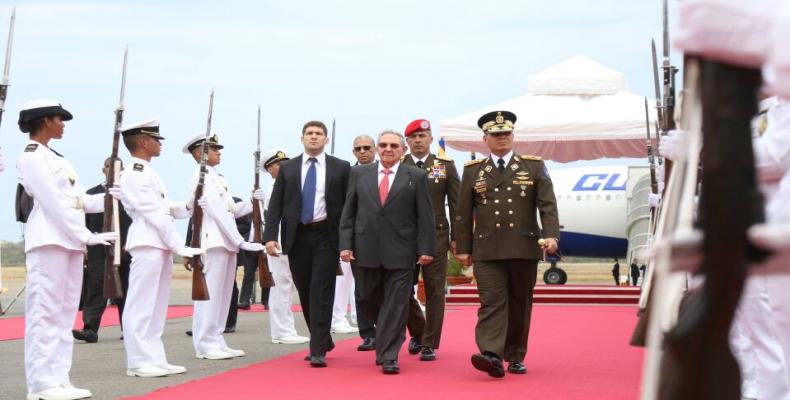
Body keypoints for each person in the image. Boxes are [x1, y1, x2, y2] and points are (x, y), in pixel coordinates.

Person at [17, 99, 119, 400]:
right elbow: (52, 203)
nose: (63, 125)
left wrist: (110, 195)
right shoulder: (33, 157)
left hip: (68, 243)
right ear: (45, 121)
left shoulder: (58, 158)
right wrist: (86, 235)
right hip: (49, 240)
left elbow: (76, 200)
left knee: (63, 315)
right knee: (44, 314)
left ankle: (59, 378)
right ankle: (40, 384)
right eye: (59, 119)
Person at [455, 110, 560, 378]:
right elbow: (463, 212)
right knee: (490, 301)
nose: (501, 138)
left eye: (506, 133)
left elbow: (547, 204)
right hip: (487, 249)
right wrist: (463, 248)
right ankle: (491, 354)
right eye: (495, 134)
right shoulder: (474, 171)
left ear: (512, 136)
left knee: (519, 302)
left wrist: (551, 235)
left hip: (523, 246)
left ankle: (514, 355)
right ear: (485, 138)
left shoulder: (533, 166)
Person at [340, 130, 436, 375]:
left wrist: (426, 248)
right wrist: (345, 244)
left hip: (402, 252)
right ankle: (388, 337)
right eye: (383, 145)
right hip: (365, 250)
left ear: (403, 149)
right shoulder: (359, 173)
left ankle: (389, 355)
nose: (388, 149)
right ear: (377, 148)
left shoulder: (416, 176)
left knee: (396, 304)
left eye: (394, 145)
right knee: (368, 298)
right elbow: (348, 212)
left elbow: (426, 216)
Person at [118, 119, 203, 378]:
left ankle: (154, 357)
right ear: (143, 142)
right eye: (156, 139)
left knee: (156, 307)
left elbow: (168, 209)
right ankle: (138, 361)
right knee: (140, 306)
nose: (159, 143)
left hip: (159, 245)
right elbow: (154, 214)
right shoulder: (134, 173)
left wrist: (191, 203)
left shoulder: (148, 172)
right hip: (147, 242)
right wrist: (180, 246)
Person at [264, 121, 351, 367]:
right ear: (301, 138)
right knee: (304, 290)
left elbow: (347, 207)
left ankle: (317, 349)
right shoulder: (288, 169)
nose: (314, 137)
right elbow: (276, 205)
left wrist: (347, 240)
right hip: (297, 236)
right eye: (310, 134)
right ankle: (323, 337)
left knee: (320, 291)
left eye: (318, 134)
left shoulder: (340, 167)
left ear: (326, 139)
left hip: (326, 235)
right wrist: (270, 236)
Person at [182, 133, 266, 360]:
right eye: (214, 149)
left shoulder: (218, 178)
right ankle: (205, 344)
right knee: (210, 296)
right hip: (214, 241)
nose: (219, 152)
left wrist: (252, 201)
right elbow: (217, 213)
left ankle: (216, 338)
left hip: (226, 242)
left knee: (223, 295)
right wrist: (240, 241)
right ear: (200, 153)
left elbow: (231, 210)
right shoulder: (201, 178)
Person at [401, 118, 459, 361]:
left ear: (430, 139)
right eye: (413, 137)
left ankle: (429, 343)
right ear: (407, 141)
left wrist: (458, 237)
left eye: (422, 136)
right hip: (403, 238)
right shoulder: (397, 165)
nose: (417, 141)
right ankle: (419, 331)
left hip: (436, 235)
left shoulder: (444, 165)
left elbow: (457, 205)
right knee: (401, 290)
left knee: (435, 291)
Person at [72, 158, 133, 344]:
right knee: (95, 287)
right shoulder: (91, 194)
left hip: (124, 248)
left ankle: (129, 329)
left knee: (125, 288)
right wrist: (84, 247)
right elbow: (84, 224)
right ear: (102, 169)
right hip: (98, 248)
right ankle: (90, 329)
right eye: (109, 166)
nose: (112, 170)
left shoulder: (128, 194)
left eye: (117, 167)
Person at [257, 149, 310, 345]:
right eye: (279, 164)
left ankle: (287, 329)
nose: (284, 167)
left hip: (286, 242)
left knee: (286, 287)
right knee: (281, 287)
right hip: (277, 243)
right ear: (269, 169)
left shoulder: (286, 185)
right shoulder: (274, 187)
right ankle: (281, 331)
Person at [349, 134, 377, 351]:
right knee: (362, 291)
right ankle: (367, 333)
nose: (363, 152)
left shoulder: (388, 172)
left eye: (367, 147)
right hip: (359, 240)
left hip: (388, 241)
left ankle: (386, 330)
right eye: (358, 149)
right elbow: (345, 212)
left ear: (374, 149)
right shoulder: (348, 174)